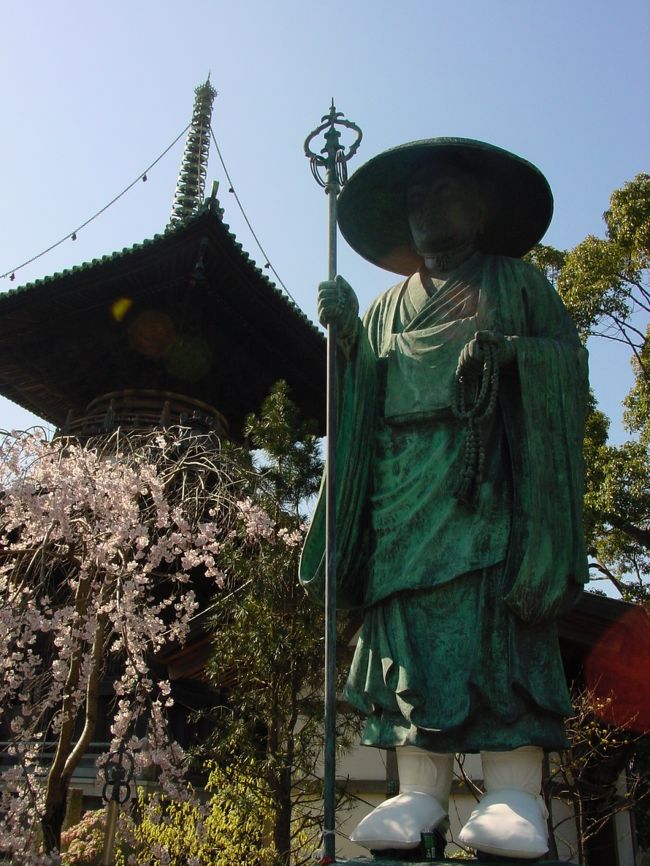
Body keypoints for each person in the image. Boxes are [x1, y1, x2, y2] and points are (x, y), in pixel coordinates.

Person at [300, 138, 589, 860]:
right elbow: (360, 400)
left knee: (500, 637)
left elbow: (568, 371)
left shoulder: (518, 284)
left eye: (444, 191)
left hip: (487, 487)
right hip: (402, 493)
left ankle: (514, 788)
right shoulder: (384, 307)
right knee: (407, 644)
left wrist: (512, 355)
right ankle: (417, 791)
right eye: (415, 198)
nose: (427, 207)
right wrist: (344, 344)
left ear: (482, 205)